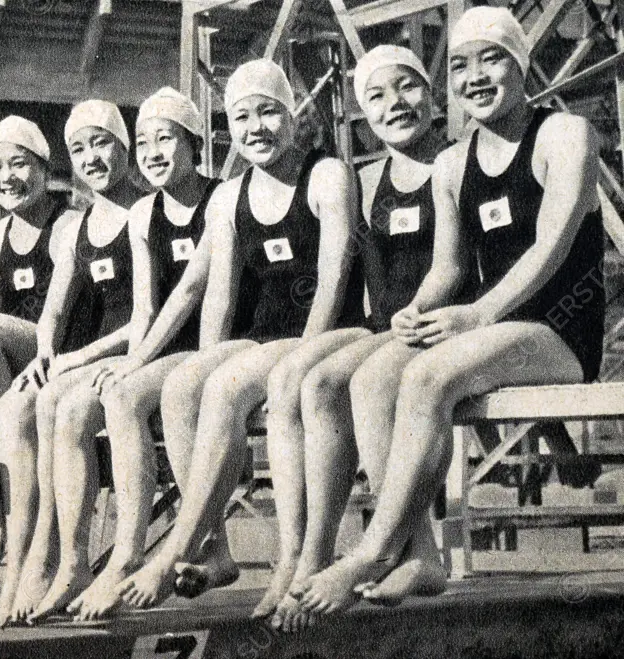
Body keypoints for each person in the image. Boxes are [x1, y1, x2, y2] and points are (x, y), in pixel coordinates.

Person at [296, 7, 605, 619]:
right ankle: (421, 552)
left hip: (560, 333)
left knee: (427, 377)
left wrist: (478, 314)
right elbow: (449, 270)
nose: (476, 76)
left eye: (493, 58)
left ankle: (372, 550)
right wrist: (413, 312)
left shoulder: (564, 136)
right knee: (375, 373)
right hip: (494, 329)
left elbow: (554, 242)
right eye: (460, 65)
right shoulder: (452, 164)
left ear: (521, 65)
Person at [115, 58, 362, 611]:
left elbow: (334, 275)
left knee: (226, 388)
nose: (256, 129)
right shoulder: (229, 198)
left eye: (269, 113)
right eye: (242, 117)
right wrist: (203, 365)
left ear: (293, 118)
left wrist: (305, 353)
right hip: (260, 339)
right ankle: (210, 544)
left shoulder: (327, 175)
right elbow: (220, 297)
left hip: (326, 334)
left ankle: (192, 545)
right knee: (185, 385)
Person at [254, 46, 462, 632]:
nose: (394, 104)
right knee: (315, 379)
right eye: (376, 95)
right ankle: (314, 551)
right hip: (388, 328)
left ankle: (407, 552)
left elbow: (462, 265)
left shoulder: (457, 165)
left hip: (445, 324)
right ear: (362, 115)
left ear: (432, 93)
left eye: (407, 87)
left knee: (373, 378)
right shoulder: (364, 181)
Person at [70, 87, 218, 621]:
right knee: (117, 394)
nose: (154, 150)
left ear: (194, 142)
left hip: (210, 345)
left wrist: (133, 361)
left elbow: (191, 293)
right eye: (145, 141)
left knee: (130, 392)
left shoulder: (221, 198)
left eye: (166, 138)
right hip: (166, 349)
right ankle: (76, 560)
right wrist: (132, 360)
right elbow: (147, 307)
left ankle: (132, 551)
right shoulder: (143, 215)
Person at [0, 100, 144, 627]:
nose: (91, 158)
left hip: (136, 352)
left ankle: (64, 557)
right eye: (78, 149)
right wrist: (43, 354)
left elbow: (149, 315)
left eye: (101, 143)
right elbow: (56, 306)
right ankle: (24, 558)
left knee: (66, 403)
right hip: (90, 357)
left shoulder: (145, 210)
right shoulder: (83, 223)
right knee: (19, 402)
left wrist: (75, 357)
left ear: (125, 147)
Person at [0, 115, 80, 609]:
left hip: (63, 350)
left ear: (45, 168)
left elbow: (55, 315)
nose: (7, 177)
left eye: (19, 164)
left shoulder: (67, 224)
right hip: (18, 356)